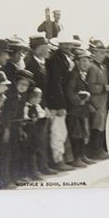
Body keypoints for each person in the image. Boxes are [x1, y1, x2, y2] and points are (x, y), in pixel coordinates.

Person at [25, 35, 57, 175]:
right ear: (36, 50)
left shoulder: (44, 63)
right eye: (44, 48)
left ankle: (43, 166)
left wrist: (47, 106)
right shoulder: (30, 64)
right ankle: (35, 169)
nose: (48, 50)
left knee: (43, 137)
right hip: (33, 107)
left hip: (43, 105)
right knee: (35, 139)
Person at [45, 35, 76, 171]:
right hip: (57, 101)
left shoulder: (64, 58)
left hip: (62, 99)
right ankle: (58, 161)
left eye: (69, 44)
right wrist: (60, 105)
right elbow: (56, 84)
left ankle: (62, 159)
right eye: (65, 44)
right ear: (60, 45)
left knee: (61, 131)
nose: (68, 47)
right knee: (58, 132)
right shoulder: (55, 59)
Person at [0, 69, 35, 186]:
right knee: (6, 153)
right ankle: (6, 180)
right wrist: (6, 130)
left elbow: (20, 114)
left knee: (16, 152)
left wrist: (20, 129)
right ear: (16, 83)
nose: (23, 87)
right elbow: (4, 114)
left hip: (15, 127)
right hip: (6, 127)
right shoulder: (9, 95)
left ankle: (15, 177)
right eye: (21, 84)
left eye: (26, 85)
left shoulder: (23, 95)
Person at [66, 50, 96, 167]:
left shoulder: (83, 74)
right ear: (77, 62)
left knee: (82, 133)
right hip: (74, 110)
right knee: (76, 133)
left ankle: (82, 156)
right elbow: (69, 91)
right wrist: (79, 101)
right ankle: (76, 158)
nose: (85, 63)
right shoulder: (74, 74)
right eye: (83, 61)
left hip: (82, 109)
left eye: (87, 61)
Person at [87, 40, 109, 160]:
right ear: (93, 53)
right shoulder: (92, 67)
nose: (101, 55)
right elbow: (91, 86)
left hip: (102, 101)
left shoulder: (103, 67)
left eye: (103, 53)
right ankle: (95, 151)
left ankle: (100, 149)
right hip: (95, 101)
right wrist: (105, 88)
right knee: (96, 126)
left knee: (101, 126)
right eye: (98, 53)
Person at [21, 88, 50, 181]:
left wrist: (41, 116)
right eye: (35, 97)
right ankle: (26, 173)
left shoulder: (37, 106)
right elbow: (24, 117)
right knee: (26, 152)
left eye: (39, 98)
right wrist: (29, 119)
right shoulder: (26, 107)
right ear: (30, 97)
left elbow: (42, 114)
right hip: (27, 132)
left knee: (34, 151)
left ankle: (34, 171)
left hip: (35, 132)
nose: (37, 100)